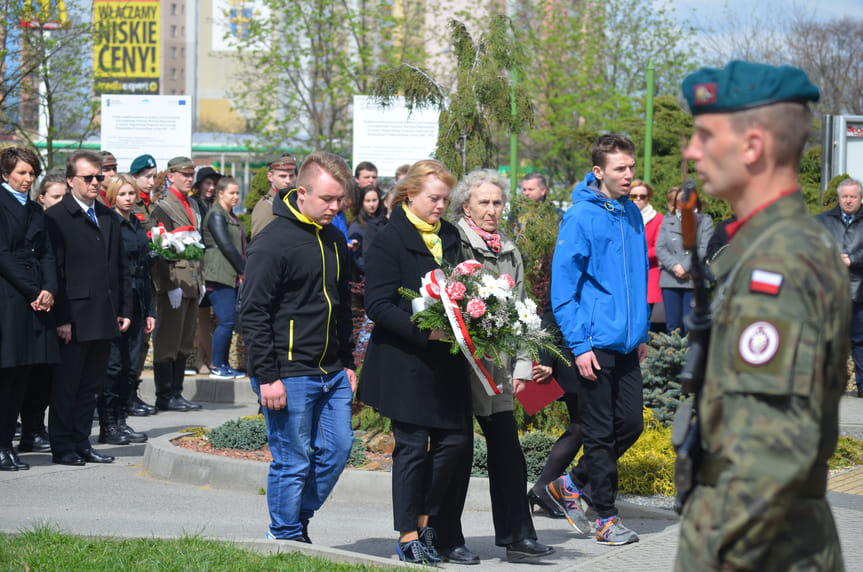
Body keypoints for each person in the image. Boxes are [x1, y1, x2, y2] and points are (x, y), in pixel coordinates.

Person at [675, 60, 846, 570]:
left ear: (753, 146)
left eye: (705, 135)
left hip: (763, 548)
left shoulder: (779, 260)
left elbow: (770, 459)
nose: (690, 150)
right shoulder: (761, 246)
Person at [357, 160, 475, 565]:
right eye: (434, 198)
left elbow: (461, 287)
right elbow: (377, 304)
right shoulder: (389, 238)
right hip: (405, 360)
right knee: (411, 449)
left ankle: (424, 520)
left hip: (446, 362)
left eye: (445, 199)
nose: (441, 206)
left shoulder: (451, 235)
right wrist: (423, 330)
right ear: (411, 194)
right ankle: (409, 536)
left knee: (455, 443)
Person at [240, 151, 356, 544]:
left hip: (332, 371)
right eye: (327, 199)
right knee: (293, 461)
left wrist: (348, 360)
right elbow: (253, 313)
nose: (335, 207)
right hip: (288, 375)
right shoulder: (272, 243)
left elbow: (341, 304)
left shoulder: (335, 238)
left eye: (340, 200)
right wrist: (267, 376)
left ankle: (294, 519)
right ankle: (286, 536)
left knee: (338, 451)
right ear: (301, 192)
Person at [546, 134, 649, 546]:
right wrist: (580, 346)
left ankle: (568, 484)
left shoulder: (631, 215)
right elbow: (563, 290)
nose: (628, 175)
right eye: (620, 168)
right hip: (592, 343)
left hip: (626, 344)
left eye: (630, 167)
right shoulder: (580, 217)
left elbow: (637, 278)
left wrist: (640, 332)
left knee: (631, 424)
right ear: (599, 171)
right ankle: (606, 518)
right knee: (600, 433)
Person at [449, 169, 554, 562]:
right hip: (462, 368)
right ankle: (447, 538)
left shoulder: (509, 251)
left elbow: (524, 315)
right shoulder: (454, 243)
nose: (492, 210)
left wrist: (523, 367)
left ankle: (518, 537)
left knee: (509, 454)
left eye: (497, 203)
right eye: (484, 203)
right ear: (467, 205)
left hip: (500, 371)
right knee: (455, 455)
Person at [45, 150, 132, 466]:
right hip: (75, 317)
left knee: (91, 386)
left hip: (103, 314)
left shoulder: (107, 216)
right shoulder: (56, 217)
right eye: (88, 178)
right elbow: (56, 272)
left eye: (99, 177)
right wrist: (62, 318)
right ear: (71, 181)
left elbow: (120, 268)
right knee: (67, 386)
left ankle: (82, 442)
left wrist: (124, 309)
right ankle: (62, 445)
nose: (96, 182)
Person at [0, 147, 58, 471]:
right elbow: (3, 255)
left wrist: (49, 289)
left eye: (32, 173)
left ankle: (8, 443)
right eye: (22, 173)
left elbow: (47, 253)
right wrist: (34, 289)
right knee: (6, 372)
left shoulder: (37, 211)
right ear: (6, 174)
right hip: (10, 296)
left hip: (35, 298)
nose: (28, 179)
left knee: (23, 374)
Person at [98, 175, 156, 444]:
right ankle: (108, 426)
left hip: (138, 297)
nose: (129, 199)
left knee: (131, 366)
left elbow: (146, 270)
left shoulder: (135, 223)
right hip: (118, 300)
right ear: (112, 197)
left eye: (131, 194)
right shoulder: (109, 223)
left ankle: (122, 421)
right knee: (113, 365)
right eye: (122, 194)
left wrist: (150, 311)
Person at [148, 156, 204, 412]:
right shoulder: (162, 207)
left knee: (184, 341)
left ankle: (177, 393)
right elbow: (159, 247)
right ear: (171, 175)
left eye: (191, 174)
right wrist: (166, 285)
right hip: (174, 281)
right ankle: (165, 394)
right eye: (184, 174)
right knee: (168, 341)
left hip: (191, 280)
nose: (189, 179)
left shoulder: (193, 203)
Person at [16, 174, 66, 455]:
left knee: (46, 374)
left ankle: (35, 426)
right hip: (31, 300)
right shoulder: (32, 222)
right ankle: (27, 428)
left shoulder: (60, 224)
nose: (60, 202)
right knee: (27, 373)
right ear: (42, 198)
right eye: (55, 197)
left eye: (64, 197)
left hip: (54, 301)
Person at [816, 178, 863, 398]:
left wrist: (852, 259)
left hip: (859, 291)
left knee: (860, 341)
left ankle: (862, 386)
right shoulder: (823, 221)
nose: (849, 200)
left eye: (853, 196)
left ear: (860, 198)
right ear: (838, 197)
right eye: (845, 196)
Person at [202, 176, 246, 380]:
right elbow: (226, 245)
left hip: (229, 273)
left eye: (238, 193)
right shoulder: (216, 215)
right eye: (232, 193)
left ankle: (225, 365)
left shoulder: (230, 215)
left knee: (228, 321)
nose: (236, 197)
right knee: (226, 321)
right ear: (220, 194)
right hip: (218, 273)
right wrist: (243, 269)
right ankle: (218, 366)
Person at [655, 187, 714, 334]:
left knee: (691, 326)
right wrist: (675, 266)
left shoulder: (705, 221)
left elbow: (704, 247)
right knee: (672, 326)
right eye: (681, 199)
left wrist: (685, 267)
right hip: (671, 278)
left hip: (693, 279)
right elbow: (660, 248)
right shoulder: (667, 221)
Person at [189, 166, 222, 377]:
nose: (210, 188)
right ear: (199, 184)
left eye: (213, 184)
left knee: (209, 316)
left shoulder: (216, 205)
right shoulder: (194, 204)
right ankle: (211, 360)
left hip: (214, 265)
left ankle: (202, 359)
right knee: (202, 315)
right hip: (199, 263)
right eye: (207, 183)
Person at [629, 181, 664, 312]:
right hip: (627, 274)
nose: (638, 199)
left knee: (644, 318)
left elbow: (659, 247)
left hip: (649, 275)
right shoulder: (623, 217)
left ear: (648, 197)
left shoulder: (658, 219)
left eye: (642, 196)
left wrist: (637, 255)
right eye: (633, 196)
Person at [250, 153, 297, 239]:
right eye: (282, 176)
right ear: (270, 177)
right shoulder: (266, 206)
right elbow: (258, 245)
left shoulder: (294, 201)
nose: (288, 180)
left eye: (291, 176)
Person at [347, 185, 383, 278]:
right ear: (362, 202)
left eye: (374, 200)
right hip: (366, 276)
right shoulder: (356, 226)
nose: (372, 204)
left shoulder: (382, 220)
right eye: (368, 201)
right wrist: (372, 271)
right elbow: (357, 257)